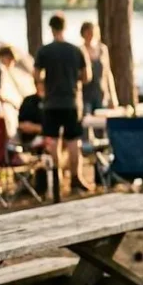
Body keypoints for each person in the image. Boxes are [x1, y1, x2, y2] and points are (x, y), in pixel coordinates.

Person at [36, 12, 92, 193]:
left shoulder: (44, 51)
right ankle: (76, 179)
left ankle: (57, 178)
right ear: (65, 27)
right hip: (71, 102)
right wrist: (74, 80)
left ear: (51, 28)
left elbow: (36, 75)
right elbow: (87, 76)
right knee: (73, 141)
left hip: (51, 102)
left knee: (52, 140)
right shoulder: (76, 50)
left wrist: (44, 87)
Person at [79, 21, 118, 114]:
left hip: (101, 93)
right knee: (86, 121)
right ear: (83, 34)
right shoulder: (80, 50)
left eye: (92, 32)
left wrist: (113, 96)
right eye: (87, 32)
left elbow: (108, 73)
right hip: (85, 94)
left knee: (101, 123)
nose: (90, 35)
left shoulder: (102, 49)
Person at [18, 78, 46, 148]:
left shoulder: (53, 103)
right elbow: (22, 125)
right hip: (29, 139)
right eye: (40, 83)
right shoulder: (28, 101)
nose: (42, 86)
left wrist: (36, 127)